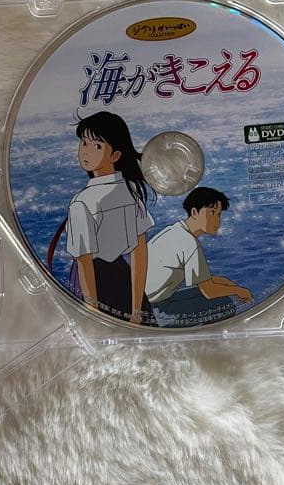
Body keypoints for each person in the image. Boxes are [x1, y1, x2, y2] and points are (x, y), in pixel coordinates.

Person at [47, 112, 155, 324]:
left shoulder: (82, 202)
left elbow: (85, 263)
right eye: (84, 143)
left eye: (96, 146)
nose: (86, 151)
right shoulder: (131, 190)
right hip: (123, 276)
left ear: (115, 155)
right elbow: (140, 252)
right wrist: (136, 310)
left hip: (92, 283)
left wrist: (93, 313)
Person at [145, 186, 252, 326]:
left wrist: (229, 284)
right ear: (194, 212)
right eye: (211, 212)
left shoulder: (175, 231)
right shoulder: (189, 243)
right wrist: (240, 291)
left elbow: (205, 281)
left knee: (219, 293)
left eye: (219, 214)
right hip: (156, 312)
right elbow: (209, 291)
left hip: (148, 302)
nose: (217, 220)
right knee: (225, 304)